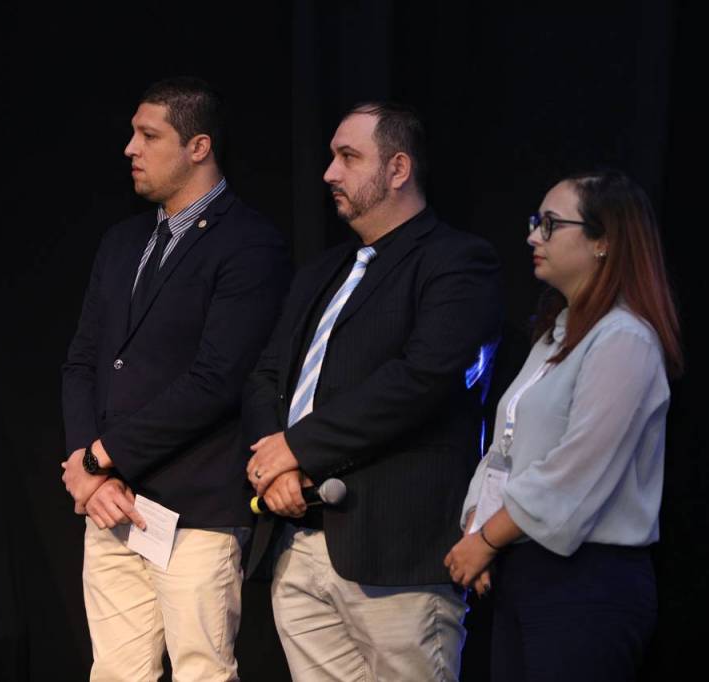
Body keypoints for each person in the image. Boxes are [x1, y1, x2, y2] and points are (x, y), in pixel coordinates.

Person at [242, 102, 503, 681]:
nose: (329, 173)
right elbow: (266, 376)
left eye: (348, 157)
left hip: (396, 551)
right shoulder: (321, 272)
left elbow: (421, 379)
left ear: (398, 168)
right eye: (331, 157)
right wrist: (274, 466)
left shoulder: (457, 261)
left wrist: (298, 448)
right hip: (299, 542)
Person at [60, 76, 290, 681]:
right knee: (115, 672)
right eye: (133, 134)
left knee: (200, 671)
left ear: (198, 146)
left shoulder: (249, 244)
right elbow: (83, 362)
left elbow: (216, 380)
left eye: (148, 135)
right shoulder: (121, 241)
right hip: (111, 504)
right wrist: (85, 463)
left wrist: (102, 456)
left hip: (197, 510)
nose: (130, 148)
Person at [444, 170, 683, 681]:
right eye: (536, 222)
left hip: (587, 583)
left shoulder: (624, 339)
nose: (534, 237)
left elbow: (573, 471)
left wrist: (486, 540)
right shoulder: (555, 336)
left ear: (603, 241)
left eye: (550, 224)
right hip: (525, 571)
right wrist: (477, 527)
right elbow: (505, 449)